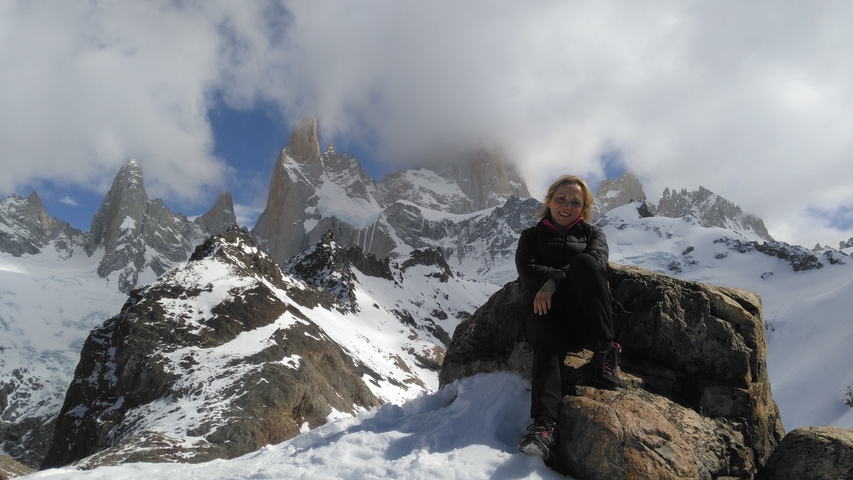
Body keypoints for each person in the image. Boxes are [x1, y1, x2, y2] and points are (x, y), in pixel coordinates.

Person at [515, 174, 621, 458]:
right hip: (541, 311)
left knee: (585, 262)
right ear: (549, 201)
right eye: (561, 198)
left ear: (583, 208)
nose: (567, 205)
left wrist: (551, 281)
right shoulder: (531, 236)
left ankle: (605, 353)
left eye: (576, 202)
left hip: (579, 316)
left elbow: (596, 263)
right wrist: (554, 277)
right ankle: (544, 424)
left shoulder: (594, 235)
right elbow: (526, 271)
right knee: (549, 342)